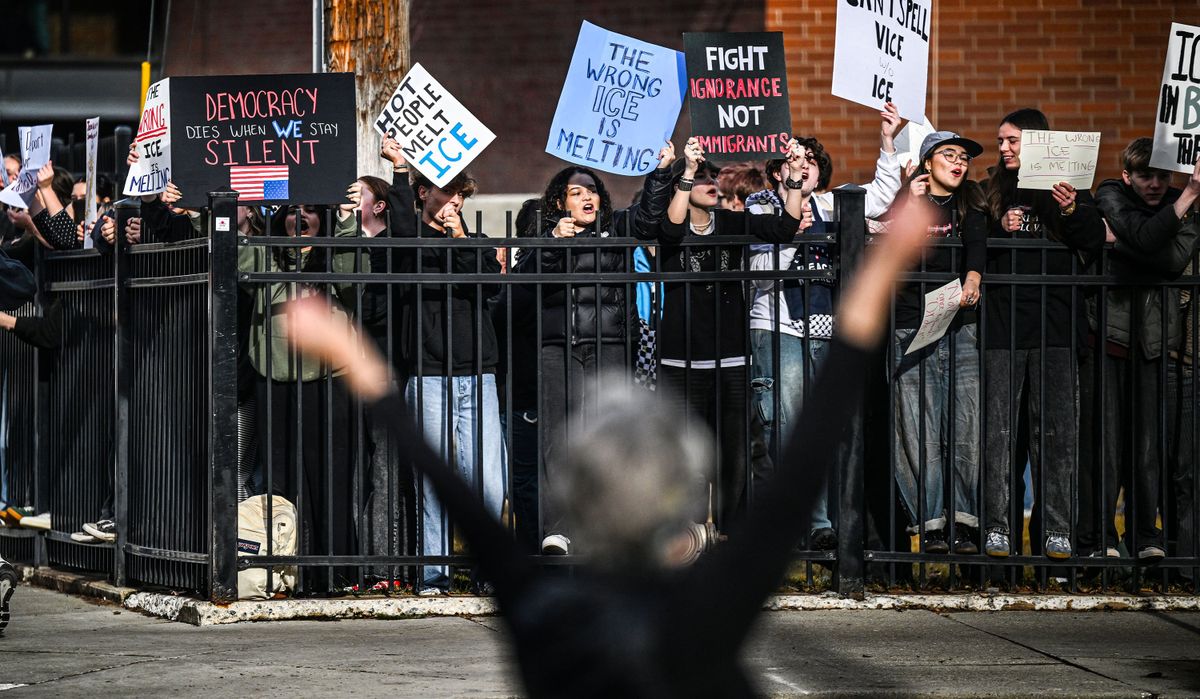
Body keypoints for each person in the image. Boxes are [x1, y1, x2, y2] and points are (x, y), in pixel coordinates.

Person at [285, 190, 935, 698]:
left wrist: (354, 359)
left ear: (577, 495)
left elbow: (462, 503)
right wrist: (879, 273)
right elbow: (803, 462)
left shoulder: (546, 613)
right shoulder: (709, 607)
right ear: (679, 514)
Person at [746, 103, 904, 549]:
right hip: (778, 327)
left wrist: (887, 140)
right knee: (787, 424)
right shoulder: (762, 205)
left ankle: (823, 524)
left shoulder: (832, 204)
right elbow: (757, 271)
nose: (804, 169)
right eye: (796, 163)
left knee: (826, 428)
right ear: (778, 172)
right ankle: (805, 520)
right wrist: (790, 236)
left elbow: (879, 195)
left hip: (825, 329)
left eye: (812, 163)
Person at [649, 137, 815, 531]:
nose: (711, 182)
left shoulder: (732, 221)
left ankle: (731, 535)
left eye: (712, 176)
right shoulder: (670, 224)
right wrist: (686, 171)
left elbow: (784, 228)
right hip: (680, 360)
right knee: (684, 455)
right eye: (701, 176)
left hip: (732, 358)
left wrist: (792, 178)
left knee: (734, 456)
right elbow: (670, 232)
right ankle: (685, 536)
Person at [513, 154, 672, 555]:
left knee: (610, 435)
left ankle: (608, 528)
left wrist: (661, 171)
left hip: (609, 345)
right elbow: (527, 277)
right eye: (576, 192)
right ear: (560, 203)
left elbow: (650, 218)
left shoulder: (616, 228)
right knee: (556, 437)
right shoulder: (547, 234)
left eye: (593, 192)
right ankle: (558, 532)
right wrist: (552, 243)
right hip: (558, 348)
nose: (587, 198)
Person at [981, 108, 1107, 560]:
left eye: (1012, 140)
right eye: (1000, 141)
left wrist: (1072, 208)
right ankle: (998, 530)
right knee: (998, 435)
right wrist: (1000, 227)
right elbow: (973, 242)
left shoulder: (1069, 188)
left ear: (1036, 142)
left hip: (1056, 326)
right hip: (1003, 327)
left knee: (1056, 435)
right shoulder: (990, 190)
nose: (1004, 148)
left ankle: (1057, 531)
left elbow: (1093, 241)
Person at [1080, 138, 1200, 563]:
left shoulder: (1185, 209)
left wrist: (1120, 242)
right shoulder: (1111, 192)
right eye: (1145, 175)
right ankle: (1098, 540)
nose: (1154, 184)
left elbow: (1170, 258)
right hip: (1108, 336)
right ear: (1129, 175)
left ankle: (1146, 535)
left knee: (1148, 446)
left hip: (1154, 342)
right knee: (1104, 445)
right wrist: (1178, 205)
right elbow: (1154, 246)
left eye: (1162, 176)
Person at [389, 162, 505, 596]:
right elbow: (400, 231)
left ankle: (490, 569)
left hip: (478, 372)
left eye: (461, 194)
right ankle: (433, 574)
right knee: (433, 480)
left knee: (489, 480)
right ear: (423, 195)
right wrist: (399, 171)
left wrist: (458, 234)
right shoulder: (408, 241)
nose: (455, 201)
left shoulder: (472, 241)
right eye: (446, 192)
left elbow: (489, 281)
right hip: (429, 372)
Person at [239, 199, 365, 592]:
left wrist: (345, 222)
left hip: (331, 379)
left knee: (332, 480)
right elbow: (237, 258)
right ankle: (291, 575)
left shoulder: (336, 247)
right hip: (275, 381)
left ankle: (339, 576)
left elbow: (354, 282)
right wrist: (196, 213)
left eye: (310, 210)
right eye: (292, 210)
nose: (300, 217)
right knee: (282, 484)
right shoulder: (266, 250)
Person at [888, 131, 986, 555]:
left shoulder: (971, 204)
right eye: (949, 154)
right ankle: (929, 524)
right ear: (928, 162)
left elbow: (977, 248)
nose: (959, 162)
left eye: (963, 157)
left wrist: (973, 278)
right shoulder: (908, 199)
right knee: (917, 429)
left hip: (959, 323)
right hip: (912, 326)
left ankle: (962, 522)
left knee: (965, 425)